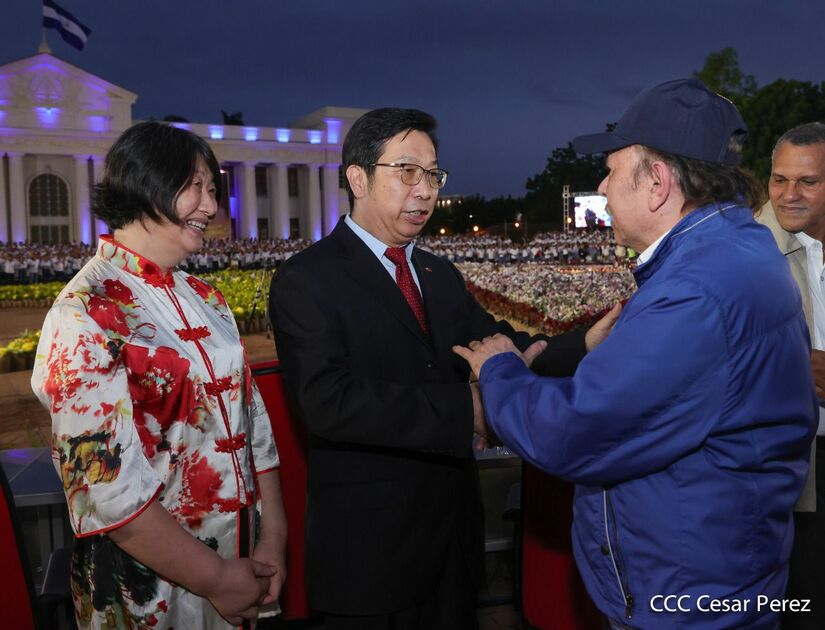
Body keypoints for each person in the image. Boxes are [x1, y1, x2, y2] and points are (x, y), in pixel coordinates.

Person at [453, 78, 817, 629]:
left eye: (611, 170)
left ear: (657, 183)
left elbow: (574, 432)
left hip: (686, 596)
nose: (601, 186)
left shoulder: (695, 289)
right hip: (721, 568)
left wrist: (499, 369)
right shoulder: (739, 248)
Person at [269, 107, 618, 629]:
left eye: (433, 175)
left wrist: (586, 344)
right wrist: (469, 409)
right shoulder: (308, 278)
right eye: (407, 171)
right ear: (358, 179)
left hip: (453, 548)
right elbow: (328, 403)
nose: (425, 190)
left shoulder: (437, 273)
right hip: (371, 558)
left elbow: (505, 346)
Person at [31, 121, 287, 629]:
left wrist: (273, 536)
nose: (211, 207)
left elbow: (254, 425)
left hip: (241, 562)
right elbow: (104, 490)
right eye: (195, 187)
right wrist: (215, 577)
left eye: (213, 189)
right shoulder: (84, 311)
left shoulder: (206, 298)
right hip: (149, 588)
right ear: (145, 183)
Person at [758, 122, 825, 629]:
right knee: (804, 601)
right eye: (779, 179)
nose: (788, 194)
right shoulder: (754, 247)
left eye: (807, 181)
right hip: (795, 466)